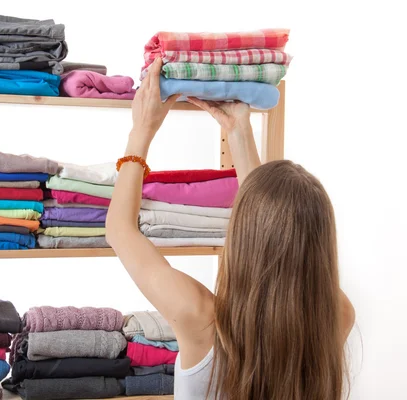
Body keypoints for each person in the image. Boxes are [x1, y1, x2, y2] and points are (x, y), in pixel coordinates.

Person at [106, 58, 355, 400]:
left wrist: (141, 132)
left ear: (243, 232)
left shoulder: (201, 318)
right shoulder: (337, 316)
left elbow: (120, 231)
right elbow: (276, 231)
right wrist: (239, 130)